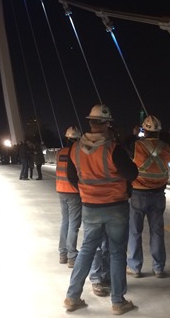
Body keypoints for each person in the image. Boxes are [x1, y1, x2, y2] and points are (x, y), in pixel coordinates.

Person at [63, 104, 139, 315]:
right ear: (106, 124)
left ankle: (72, 297)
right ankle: (117, 301)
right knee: (116, 253)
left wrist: (87, 190)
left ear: (90, 122)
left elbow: (71, 178)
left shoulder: (75, 149)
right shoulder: (113, 148)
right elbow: (132, 174)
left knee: (87, 250)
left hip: (90, 207)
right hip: (116, 207)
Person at [125, 115, 170, 278]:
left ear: (144, 130)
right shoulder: (166, 147)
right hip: (158, 194)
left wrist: (133, 134)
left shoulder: (136, 145)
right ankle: (158, 268)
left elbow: (124, 148)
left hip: (139, 193)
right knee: (157, 232)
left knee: (135, 231)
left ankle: (135, 266)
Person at [56, 126, 82, 267]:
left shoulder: (60, 152)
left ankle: (62, 254)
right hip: (73, 192)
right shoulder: (77, 153)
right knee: (74, 224)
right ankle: (72, 256)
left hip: (61, 190)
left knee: (65, 222)